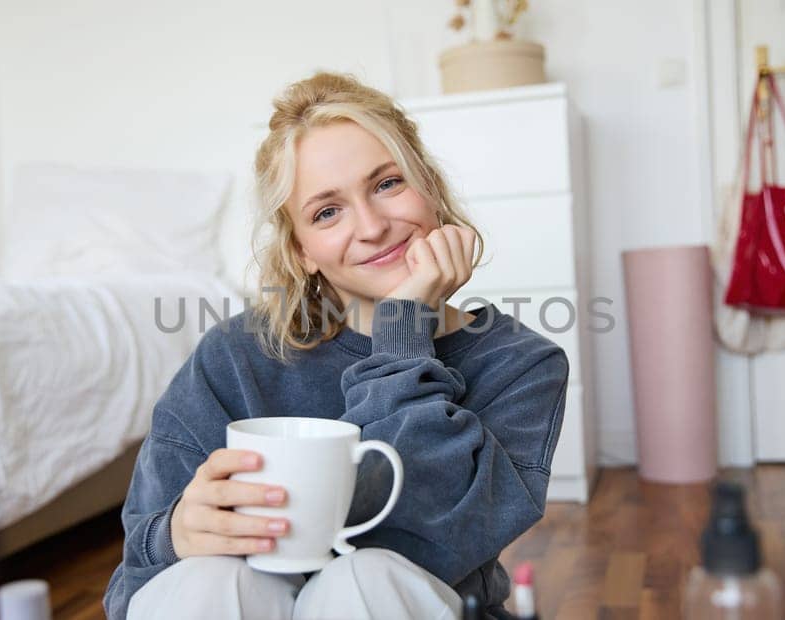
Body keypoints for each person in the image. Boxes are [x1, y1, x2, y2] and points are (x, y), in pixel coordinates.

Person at [102, 71, 569, 620]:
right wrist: (175, 533)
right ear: (301, 249)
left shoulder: (521, 364)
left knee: (366, 577)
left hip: (403, 601)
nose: (372, 227)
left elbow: (423, 542)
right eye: (327, 211)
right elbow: (137, 572)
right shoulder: (233, 356)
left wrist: (403, 325)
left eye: (388, 183)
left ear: (431, 188)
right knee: (209, 578)